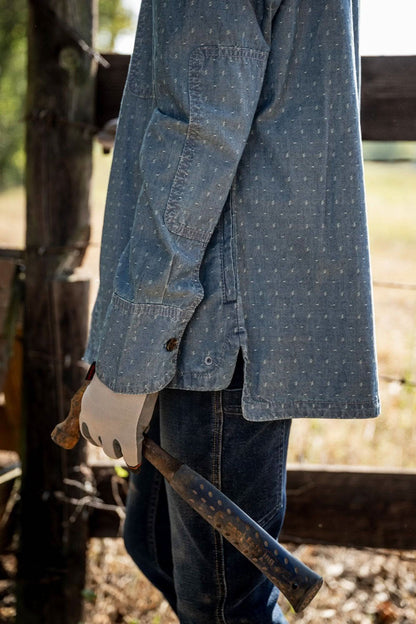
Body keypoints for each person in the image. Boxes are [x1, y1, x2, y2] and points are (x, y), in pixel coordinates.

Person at [79, 1, 380, 622]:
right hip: (216, 307)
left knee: (223, 607)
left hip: (216, 318)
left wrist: (131, 355)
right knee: (157, 546)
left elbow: (198, 132)